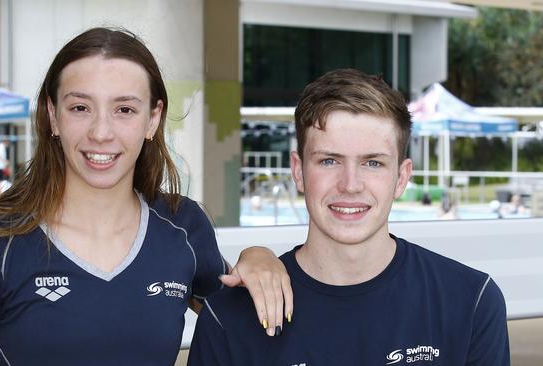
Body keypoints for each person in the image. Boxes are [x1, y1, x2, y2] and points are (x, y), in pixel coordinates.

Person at [0, 27, 293, 366]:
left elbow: (242, 315)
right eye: (80, 108)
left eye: (124, 110)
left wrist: (258, 256)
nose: (101, 132)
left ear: (153, 119)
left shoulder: (183, 225)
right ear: (52, 116)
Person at [188, 69, 510, 365]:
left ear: (401, 177)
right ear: (298, 172)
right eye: (329, 161)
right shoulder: (230, 316)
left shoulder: (470, 302)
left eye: (373, 163)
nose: (350, 185)